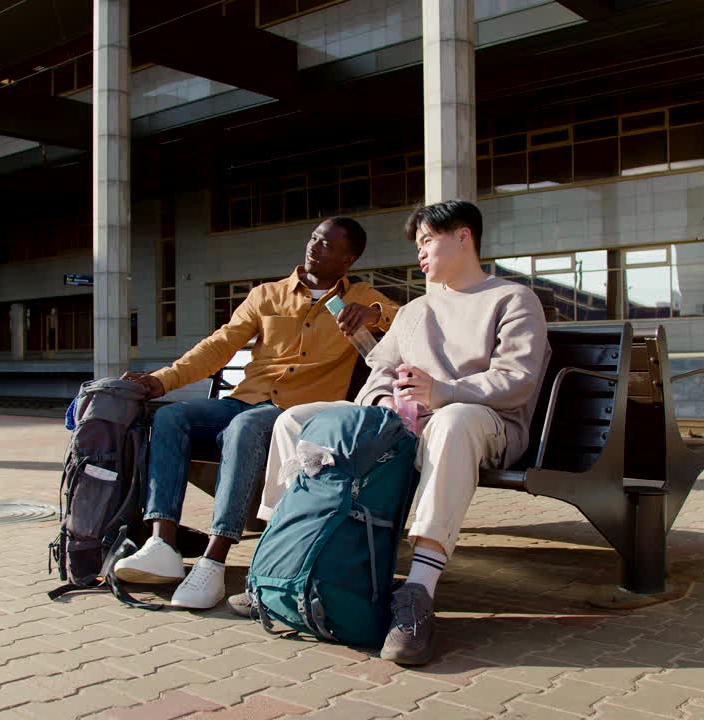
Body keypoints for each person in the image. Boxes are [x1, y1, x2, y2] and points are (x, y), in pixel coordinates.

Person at [232, 200, 548, 665]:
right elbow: (379, 376)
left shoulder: (512, 299)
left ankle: (418, 592)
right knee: (295, 419)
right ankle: (279, 559)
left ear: (463, 237)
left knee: (452, 421)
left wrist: (442, 392)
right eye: (416, 244)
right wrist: (385, 404)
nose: (419, 253)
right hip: (406, 423)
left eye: (426, 241)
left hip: (487, 422)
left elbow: (516, 378)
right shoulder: (415, 310)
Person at [114, 216, 399, 610]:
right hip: (242, 401)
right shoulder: (268, 294)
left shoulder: (362, 296)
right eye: (314, 238)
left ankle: (214, 560)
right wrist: (160, 381)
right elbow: (218, 346)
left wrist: (372, 314)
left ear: (348, 258)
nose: (314, 246)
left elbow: (405, 318)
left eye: (328, 244)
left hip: (296, 415)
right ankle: (162, 543)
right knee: (170, 417)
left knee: (245, 427)